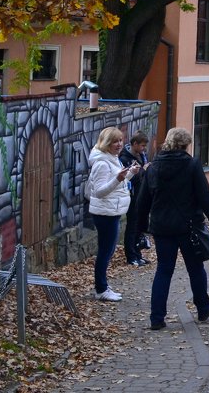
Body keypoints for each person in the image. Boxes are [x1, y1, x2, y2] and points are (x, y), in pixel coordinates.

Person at [137, 126, 209, 330]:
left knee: (163, 271)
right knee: (195, 268)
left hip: (162, 227)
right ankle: (203, 307)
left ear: (167, 143)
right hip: (188, 227)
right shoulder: (191, 165)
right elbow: (205, 195)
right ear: (185, 145)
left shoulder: (153, 168)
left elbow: (143, 201)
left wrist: (141, 227)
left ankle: (156, 318)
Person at [87, 127, 139, 302]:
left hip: (112, 210)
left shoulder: (112, 158)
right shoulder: (102, 163)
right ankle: (101, 288)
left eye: (120, 140)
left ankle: (103, 285)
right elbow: (100, 191)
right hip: (105, 212)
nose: (119, 144)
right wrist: (118, 178)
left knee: (107, 250)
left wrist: (129, 174)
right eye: (114, 141)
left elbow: (118, 186)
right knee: (106, 251)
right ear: (106, 143)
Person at [119, 132, 150, 266]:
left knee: (139, 226)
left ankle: (138, 253)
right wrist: (143, 170)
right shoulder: (125, 158)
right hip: (132, 196)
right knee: (132, 226)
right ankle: (131, 256)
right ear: (135, 144)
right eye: (142, 146)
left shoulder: (141, 156)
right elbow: (128, 177)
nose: (144, 148)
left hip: (142, 195)